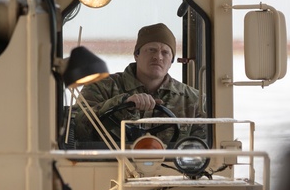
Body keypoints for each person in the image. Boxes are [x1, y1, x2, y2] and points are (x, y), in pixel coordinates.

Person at [72, 23, 206, 145]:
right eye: (152, 50)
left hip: (171, 170)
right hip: (107, 167)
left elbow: (203, 149)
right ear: (137, 55)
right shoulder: (100, 87)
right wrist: (121, 103)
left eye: (165, 52)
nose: (158, 57)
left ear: (171, 61)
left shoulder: (194, 101)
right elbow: (76, 127)